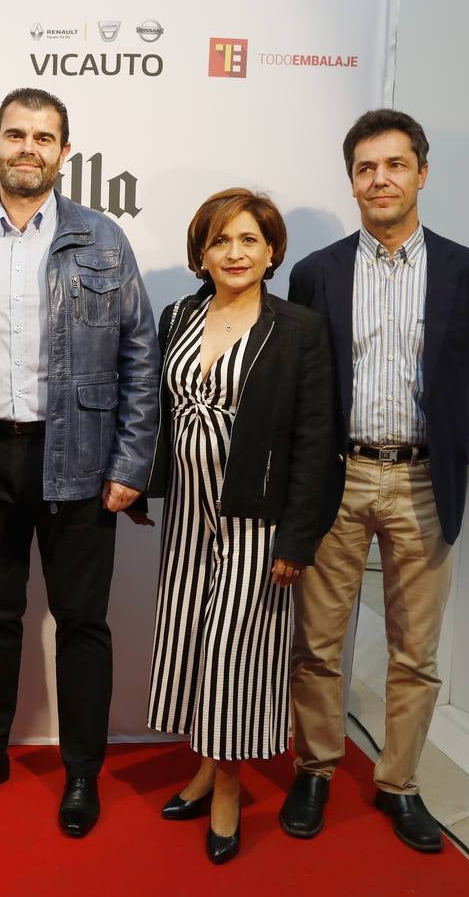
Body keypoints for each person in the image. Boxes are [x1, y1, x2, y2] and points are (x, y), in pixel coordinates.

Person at [0, 88, 159, 837]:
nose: (28, 148)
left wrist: (130, 463)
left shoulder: (102, 240)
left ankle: (81, 773)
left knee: (82, 622)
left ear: (64, 151)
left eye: (43, 137)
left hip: (79, 457)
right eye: (15, 134)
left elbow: (140, 359)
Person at [280, 109, 469, 853]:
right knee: (316, 643)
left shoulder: (467, 271)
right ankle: (314, 767)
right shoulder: (316, 273)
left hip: (419, 485)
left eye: (395, 165)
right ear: (351, 181)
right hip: (336, 479)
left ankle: (398, 784)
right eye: (366, 167)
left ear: (421, 173)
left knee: (414, 652)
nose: (380, 179)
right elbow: (304, 388)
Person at [142, 189, 332, 863]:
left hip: (256, 519)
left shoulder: (297, 329)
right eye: (220, 240)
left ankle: (227, 788)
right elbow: (158, 416)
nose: (234, 253)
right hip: (188, 516)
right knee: (193, 642)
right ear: (200, 252)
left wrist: (296, 539)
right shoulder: (176, 317)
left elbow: (314, 440)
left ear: (271, 251)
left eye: (248, 240)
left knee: (232, 653)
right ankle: (201, 766)